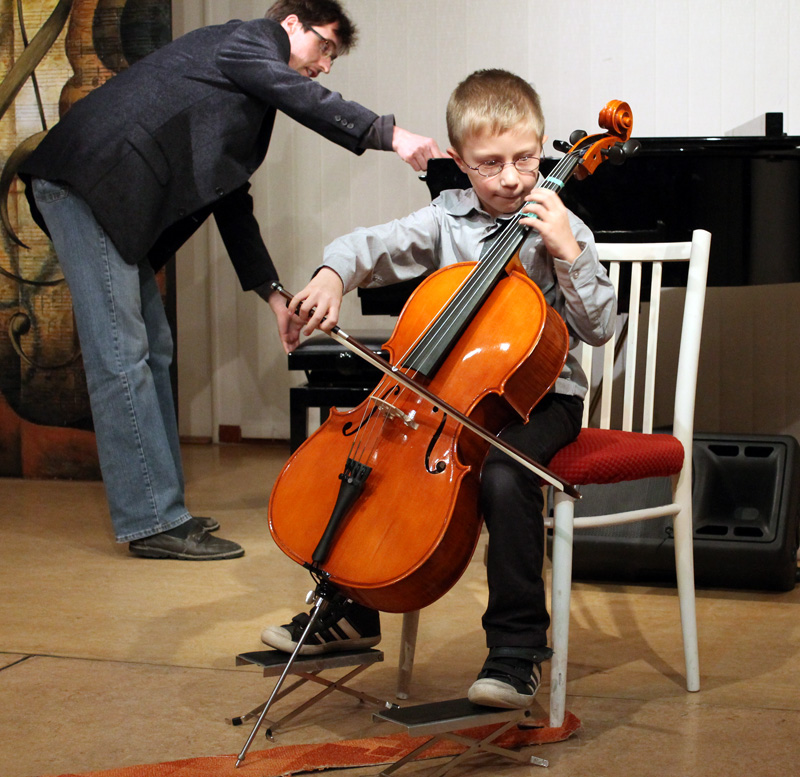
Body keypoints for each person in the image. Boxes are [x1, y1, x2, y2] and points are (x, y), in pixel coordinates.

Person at [18, 0, 442, 561]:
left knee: (153, 348)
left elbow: (229, 198)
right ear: (289, 24)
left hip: (107, 199)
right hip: (86, 188)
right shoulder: (247, 41)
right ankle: (151, 520)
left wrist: (271, 293)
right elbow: (303, 97)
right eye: (324, 47)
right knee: (120, 356)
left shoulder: (242, 89)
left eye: (333, 58)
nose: (324, 66)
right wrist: (387, 134)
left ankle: (164, 508)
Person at [261, 69, 616, 709]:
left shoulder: (566, 226)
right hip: (448, 394)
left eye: (525, 159)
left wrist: (566, 249)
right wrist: (332, 274)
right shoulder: (447, 218)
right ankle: (350, 607)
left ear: (541, 148)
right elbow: (369, 245)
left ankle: (517, 650)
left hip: (544, 399)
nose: (511, 179)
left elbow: (598, 327)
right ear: (459, 159)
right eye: (489, 164)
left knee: (505, 475)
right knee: (375, 462)